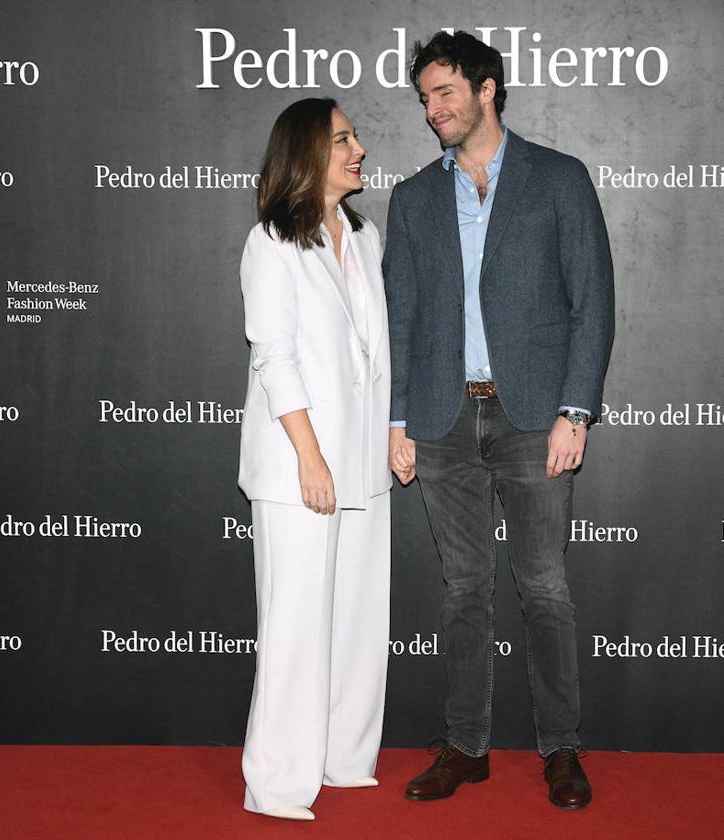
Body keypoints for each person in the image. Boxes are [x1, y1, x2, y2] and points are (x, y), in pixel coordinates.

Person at [384, 31, 614, 810]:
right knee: (463, 590)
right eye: (423, 98)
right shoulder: (414, 198)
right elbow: (402, 321)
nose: (432, 110)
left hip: (533, 418)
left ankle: (560, 749)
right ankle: (467, 746)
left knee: (545, 587)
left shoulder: (559, 179)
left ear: (488, 89)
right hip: (443, 420)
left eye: (444, 92)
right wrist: (398, 420)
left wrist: (573, 411)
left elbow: (593, 306)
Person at [237, 97, 391, 822]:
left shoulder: (366, 238)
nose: (358, 147)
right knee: (297, 622)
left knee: (358, 613)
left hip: (361, 457)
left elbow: (371, 353)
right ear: (305, 153)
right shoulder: (270, 242)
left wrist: (392, 430)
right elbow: (275, 355)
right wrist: (310, 455)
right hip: (302, 463)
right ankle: (277, 782)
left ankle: (343, 757)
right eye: (342, 139)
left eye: (355, 136)